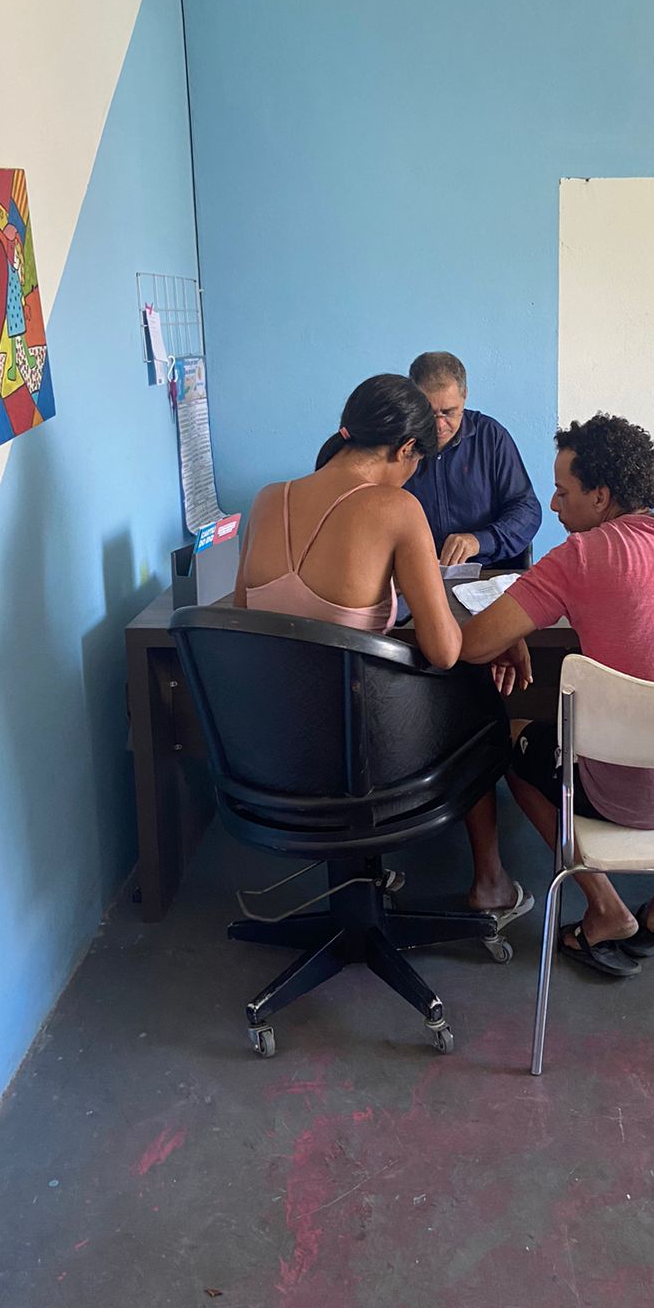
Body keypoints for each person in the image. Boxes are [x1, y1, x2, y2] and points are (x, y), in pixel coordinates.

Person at [459, 412, 654, 977]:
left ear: (601, 496)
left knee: (513, 742)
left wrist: (510, 634)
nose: (553, 504)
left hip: (632, 796)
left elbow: (471, 646)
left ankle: (605, 908)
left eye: (563, 491)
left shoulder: (580, 556)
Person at [234, 373, 530, 922]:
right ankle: (489, 881)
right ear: (406, 448)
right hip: (363, 760)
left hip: (270, 749)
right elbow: (444, 650)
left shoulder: (267, 499)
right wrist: (504, 633)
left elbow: (241, 621)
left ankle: (361, 878)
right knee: (482, 705)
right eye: (418, 462)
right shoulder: (397, 508)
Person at [405, 351, 541, 569]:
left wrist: (480, 541)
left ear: (464, 396)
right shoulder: (398, 444)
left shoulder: (491, 437)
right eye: (429, 413)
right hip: (416, 571)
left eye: (448, 412)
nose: (439, 425)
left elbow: (527, 510)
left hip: (486, 571)